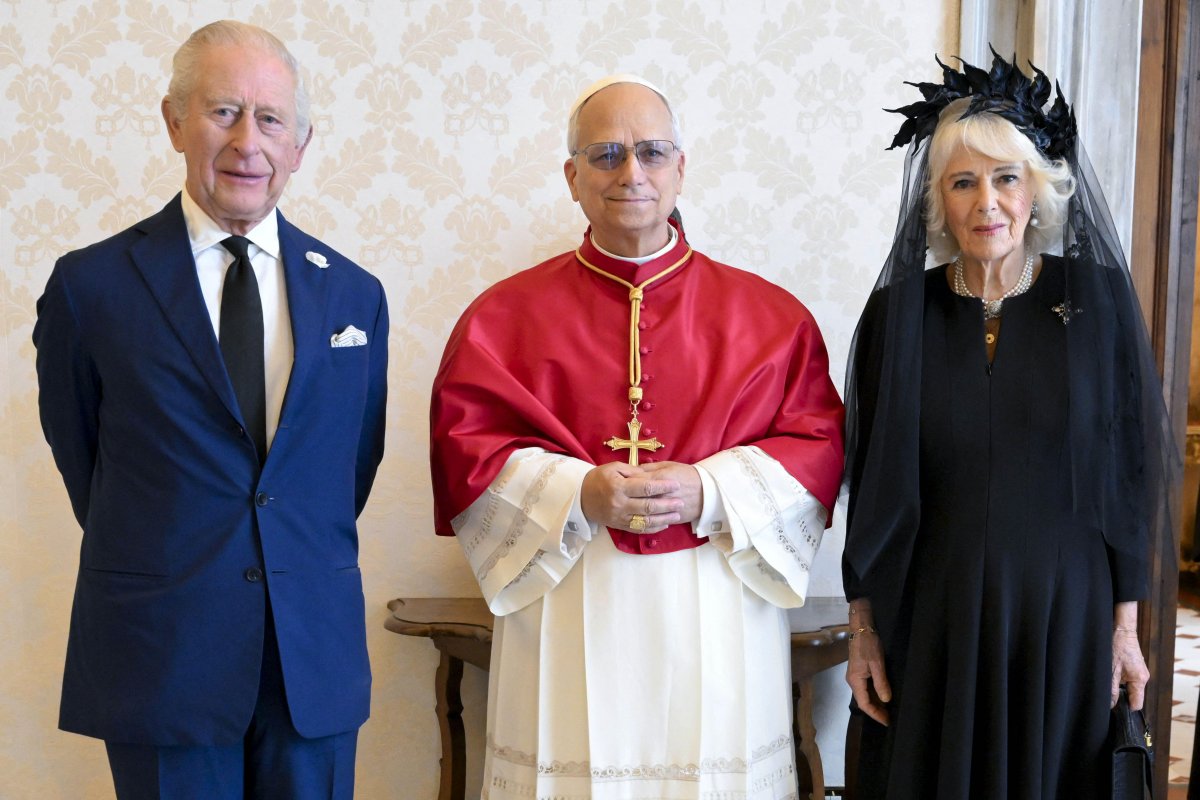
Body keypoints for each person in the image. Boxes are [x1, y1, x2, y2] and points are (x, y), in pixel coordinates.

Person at [429, 74, 844, 798]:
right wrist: (577, 489)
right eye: (606, 154)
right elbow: (465, 447)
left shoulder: (772, 318)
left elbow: (817, 447)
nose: (632, 174)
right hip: (567, 587)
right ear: (572, 177)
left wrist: (709, 488)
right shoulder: (501, 318)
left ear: (681, 169)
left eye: (652, 152)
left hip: (718, 595)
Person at [33, 21, 388, 800]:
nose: (246, 143)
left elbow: (350, 466)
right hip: (164, 649)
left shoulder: (355, 295)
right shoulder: (91, 289)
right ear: (174, 122)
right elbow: (83, 457)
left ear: (302, 142)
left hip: (311, 657)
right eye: (222, 111)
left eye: (270, 120)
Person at [842, 50, 1178, 799]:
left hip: (1064, 610)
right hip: (933, 612)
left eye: (1005, 178)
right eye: (963, 182)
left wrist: (1125, 627)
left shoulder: (1094, 300)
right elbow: (867, 481)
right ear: (939, 200)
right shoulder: (901, 313)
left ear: (1038, 190)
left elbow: (1129, 467)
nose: (985, 202)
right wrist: (863, 628)